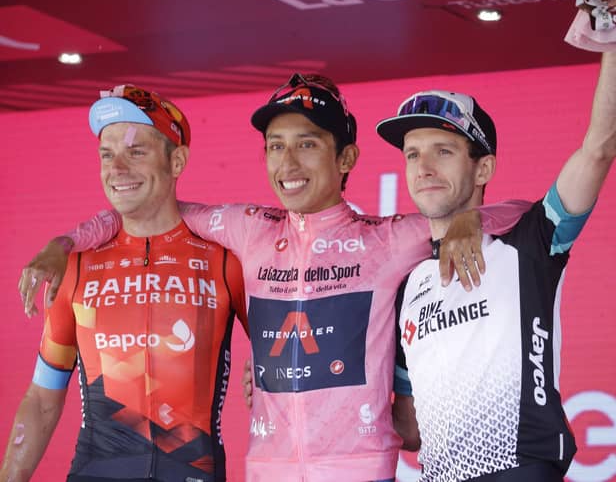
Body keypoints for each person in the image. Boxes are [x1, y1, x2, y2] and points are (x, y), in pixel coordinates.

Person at [16, 75, 529, 482]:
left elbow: (527, 213)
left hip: (358, 468)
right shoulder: (246, 230)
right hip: (268, 468)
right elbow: (145, 206)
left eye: (306, 145)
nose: (288, 162)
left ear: (345, 158)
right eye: (275, 146)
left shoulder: (386, 239)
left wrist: (468, 220)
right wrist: (66, 243)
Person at [376, 46, 616, 482]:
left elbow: (598, 149)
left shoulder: (529, 239)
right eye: (413, 154)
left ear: (483, 168)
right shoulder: (407, 285)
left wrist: (613, 38)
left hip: (518, 468)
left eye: (443, 151)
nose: (424, 167)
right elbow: (407, 428)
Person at [1, 85, 248, 482]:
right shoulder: (77, 266)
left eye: (136, 152)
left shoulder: (223, 260)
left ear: (177, 160)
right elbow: (43, 398)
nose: (117, 169)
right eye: (106, 155)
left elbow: (281, 357)